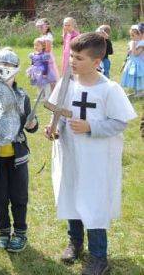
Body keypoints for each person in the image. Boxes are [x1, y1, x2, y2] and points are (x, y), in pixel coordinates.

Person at [45, 32, 136, 275]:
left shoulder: (109, 90)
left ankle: (99, 257)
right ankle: (75, 243)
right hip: (71, 156)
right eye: (72, 56)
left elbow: (120, 123)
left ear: (97, 62)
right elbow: (59, 114)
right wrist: (53, 129)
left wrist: (91, 127)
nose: (73, 62)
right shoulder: (67, 84)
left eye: (79, 58)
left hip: (96, 160)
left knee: (93, 203)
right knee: (72, 195)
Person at [0, 48, 38, 253]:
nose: (4, 70)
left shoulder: (22, 96)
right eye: (1, 67)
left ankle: (20, 232)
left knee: (19, 197)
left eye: (9, 67)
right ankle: (4, 232)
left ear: (16, 70)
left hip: (17, 157)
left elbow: (29, 126)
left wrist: (32, 123)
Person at [35, 18, 59, 90]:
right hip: (43, 55)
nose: (40, 29)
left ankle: (53, 92)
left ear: (47, 27)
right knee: (43, 73)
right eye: (39, 27)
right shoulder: (43, 35)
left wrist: (40, 53)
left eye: (42, 27)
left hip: (47, 57)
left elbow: (48, 49)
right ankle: (45, 92)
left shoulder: (48, 37)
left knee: (50, 75)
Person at [120, 25, 143, 97]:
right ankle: (136, 91)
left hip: (138, 64)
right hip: (132, 62)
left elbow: (136, 54)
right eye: (131, 35)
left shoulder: (142, 43)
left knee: (138, 77)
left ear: (139, 34)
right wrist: (129, 49)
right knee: (133, 76)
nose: (131, 37)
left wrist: (133, 45)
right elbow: (129, 53)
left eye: (133, 35)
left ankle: (140, 92)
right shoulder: (133, 43)